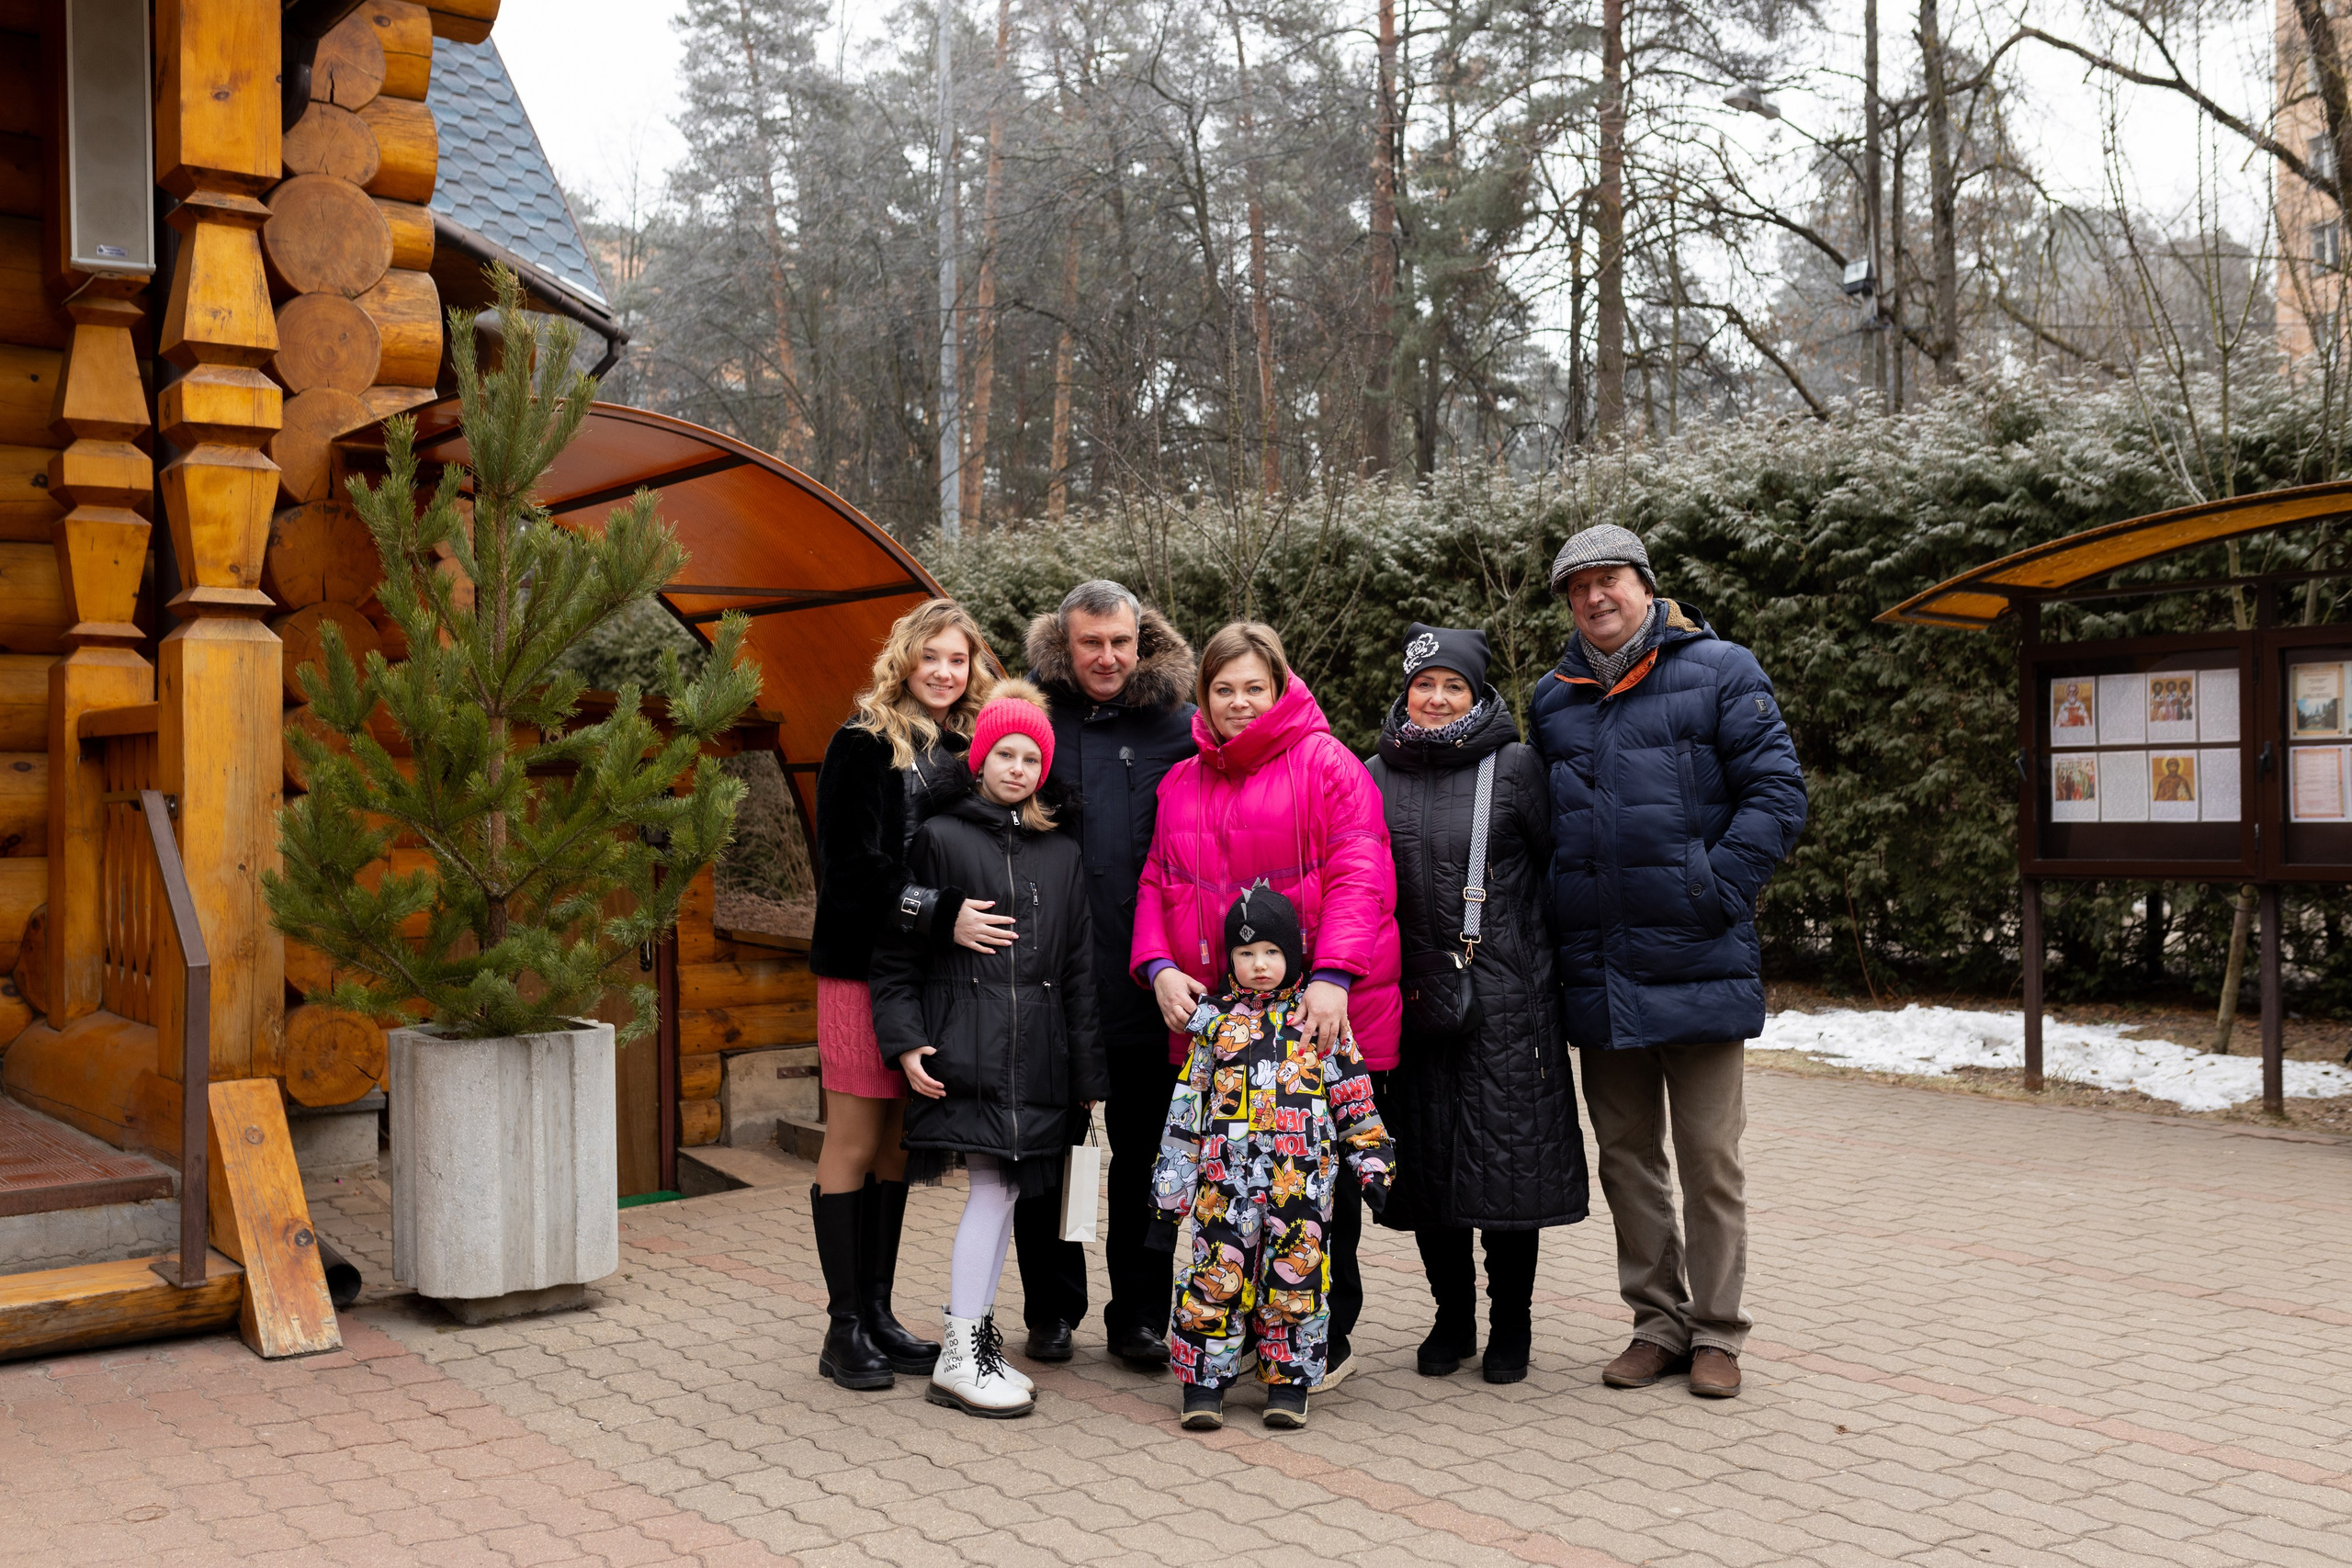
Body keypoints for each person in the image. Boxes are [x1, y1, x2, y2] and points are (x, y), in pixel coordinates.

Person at [1529, 525, 1807, 1401]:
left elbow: (1777, 792)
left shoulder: (1721, 669)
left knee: (1709, 1158)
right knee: (1625, 1156)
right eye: (1577, 589)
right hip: (1601, 967)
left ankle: (1719, 1331)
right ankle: (1657, 1320)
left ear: (1646, 586)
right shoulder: (1553, 698)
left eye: (1608, 580)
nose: (1594, 598)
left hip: (1697, 955)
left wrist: (1713, 887)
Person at [1132, 621, 1401, 1387]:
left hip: (1320, 1013)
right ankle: (1250, 1331)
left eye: (1256, 687)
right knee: (1233, 1184)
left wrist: (1334, 974)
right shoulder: (1181, 781)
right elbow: (1158, 883)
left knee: (1317, 1185)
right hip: (1228, 1030)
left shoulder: (1329, 766)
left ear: (1281, 686)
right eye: (1225, 690)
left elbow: (1361, 873)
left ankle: (1327, 1332)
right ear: (1204, 697)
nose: (1240, 703)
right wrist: (1156, 965)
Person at [868, 683, 1106, 1417]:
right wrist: (906, 1042)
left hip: (1037, 1061)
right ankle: (960, 1351)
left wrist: (1087, 1075)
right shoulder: (940, 838)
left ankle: (972, 1341)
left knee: (1005, 1194)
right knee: (992, 1190)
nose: (1017, 765)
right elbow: (897, 954)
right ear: (979, 758)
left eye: (1032, 756)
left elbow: (1077, 969)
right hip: (964, 1051)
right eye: (1004, 751)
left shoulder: (1063, 852)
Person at [1365, 625, 1589, 1384]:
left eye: (1451, 684)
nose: (1434, 697)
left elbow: (1561, 874)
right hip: (1415, 999)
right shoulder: (1375, 772)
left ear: (1477, 690)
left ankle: (1511, 1323)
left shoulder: (1517, 766)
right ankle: (1451, 1316)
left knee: (1507, 1168)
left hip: (1507, 1000)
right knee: (1426, 1167)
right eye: (1423, 683)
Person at [807, 598, 1005, 1392]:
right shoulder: (861, 743)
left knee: (899, 1141)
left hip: (926, 976)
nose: (945, 673)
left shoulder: (967, 748)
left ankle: (881, 1312)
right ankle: (843, 1325)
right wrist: (942, 911)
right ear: (906, 659)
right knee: (855, 1135)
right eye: (933, 657)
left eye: (959, 660)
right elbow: (851, 870)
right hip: (859, 966)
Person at [1014, 581, 1199, 1370]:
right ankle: (1050, 1311)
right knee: (1045, 1157)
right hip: (1049, 981)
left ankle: (1139, 1319)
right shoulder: (1035, 721)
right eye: (1091, 642)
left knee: (1147, 1160)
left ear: (1142, 638)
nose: (1107, 657)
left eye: (1120, 641)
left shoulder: (1178, 727)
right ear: (1066, 642)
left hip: (1145, 982)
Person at [1148, 884, 1395, 1432]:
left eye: (1272, 952)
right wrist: (1170, 1193)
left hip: (1302, 1185)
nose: (1260, 965)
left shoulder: (1319, 1021)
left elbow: (1354, 1096)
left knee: (1296, 1283)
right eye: (1246, 953)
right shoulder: (1213, 1026)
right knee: (1215, 1278)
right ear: (1230, 960)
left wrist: (1372, 1164)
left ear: (1294, 955)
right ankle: (1203, 1384)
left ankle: (1287, 1384)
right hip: (1223, 1186)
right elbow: (1186, 1112)